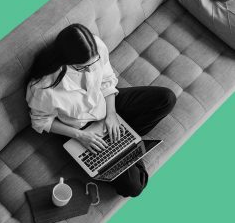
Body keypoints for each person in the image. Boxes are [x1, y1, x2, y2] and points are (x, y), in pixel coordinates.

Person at [25, 23, 177, 197]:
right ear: (64, 60)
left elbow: (106, 80)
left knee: (166, 99)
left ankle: (123, 142)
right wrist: (80, 136)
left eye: (93, 63)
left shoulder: (95, 47)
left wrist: (111, 114)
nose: (90, 70)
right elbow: (40, 121)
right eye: (82, 67)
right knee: (134, 187)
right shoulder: (43, 88)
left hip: (106, 104)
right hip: (79, 128)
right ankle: (125, 145)